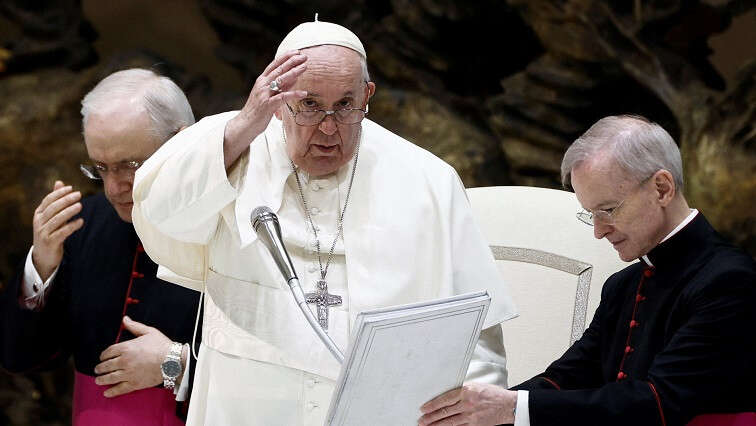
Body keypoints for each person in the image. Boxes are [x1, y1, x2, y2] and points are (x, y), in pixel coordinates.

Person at [131, 17, 517, 425]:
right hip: (248, 407)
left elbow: (472, 326)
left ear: (367, 95)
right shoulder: (232, 147)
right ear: (278, 101)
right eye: (310, 105)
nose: (329, 127)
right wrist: (245, 123)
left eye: (346, 106)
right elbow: (158, 214)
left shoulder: (428, 181)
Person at [419, 115, 756, 426]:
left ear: (662, 188)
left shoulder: (729, 281)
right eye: (591, 213)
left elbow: (660, 402)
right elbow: (568, 376)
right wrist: (478, 410)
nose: (599, 231)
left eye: (608, 209)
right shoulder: (623, 285)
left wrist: (512, 408)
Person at [0, 68, 202, 425]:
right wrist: (42, 267)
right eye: (101, 168)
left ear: (182, 143)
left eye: (130, 166)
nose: (112, 188)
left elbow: (282, 370)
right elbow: (19, 357)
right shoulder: (82, 225)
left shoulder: (233, 227)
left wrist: (178, 363)